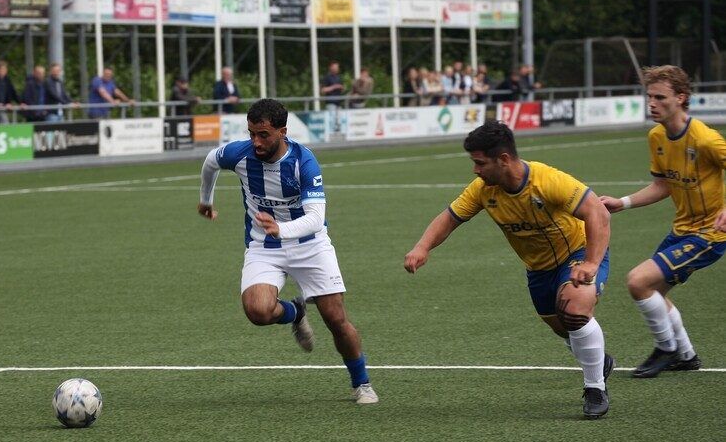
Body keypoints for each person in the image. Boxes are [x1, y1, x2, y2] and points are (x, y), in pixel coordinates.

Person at [404, 120, 614, 419]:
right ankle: (599, 361)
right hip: (539, 268)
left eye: (480, 163)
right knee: (562, 326)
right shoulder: (483, 190)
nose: (475, 170)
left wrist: (592, 262)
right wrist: (422, 247)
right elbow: (450, 217)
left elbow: (598, 212)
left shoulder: (548, 180)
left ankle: (595, 387)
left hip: (579, 252)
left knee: (574, 310)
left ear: (503, 159)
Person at [198, 98, 378, 405]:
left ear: (283, 131)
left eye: (264, 134)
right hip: (263, 246)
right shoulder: (240, 153)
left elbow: (315, 218)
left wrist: (282, 229)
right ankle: (296, 311)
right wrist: (206, 199)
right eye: (252, 133)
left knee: (335, 318)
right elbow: (211, 161)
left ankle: (361, 382)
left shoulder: (303, 162)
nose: (256, 141)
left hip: (310, 245)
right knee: (257, 311)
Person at [600, 65, 726, 378]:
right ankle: (686, 356)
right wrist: (624, 202)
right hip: (681, 230)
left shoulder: (706, 140)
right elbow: (662, 185)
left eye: (660, 97)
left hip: (710, 234)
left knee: (638, 281)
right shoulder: (656, 136)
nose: (652, 103)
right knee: (655, 292)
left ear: (681, 98)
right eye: (649, 96)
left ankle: (666, 347)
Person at [0, 60, 18, 124]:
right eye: (2, 69)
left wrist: (21, 102)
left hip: (3, 109)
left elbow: (13, 93)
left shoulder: (7, 80)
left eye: (5, 69)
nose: (4, 71)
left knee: (6, 125)